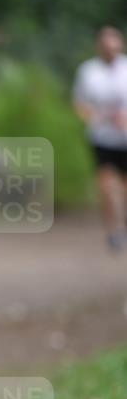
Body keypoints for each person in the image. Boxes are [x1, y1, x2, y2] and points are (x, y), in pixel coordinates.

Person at [72, 26, 127, 252]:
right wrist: (93, 118)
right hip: (101, 137)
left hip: (125, 138)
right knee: (105, 186)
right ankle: (113, 231)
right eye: (106, 47)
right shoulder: (88, 71)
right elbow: (79, 103)